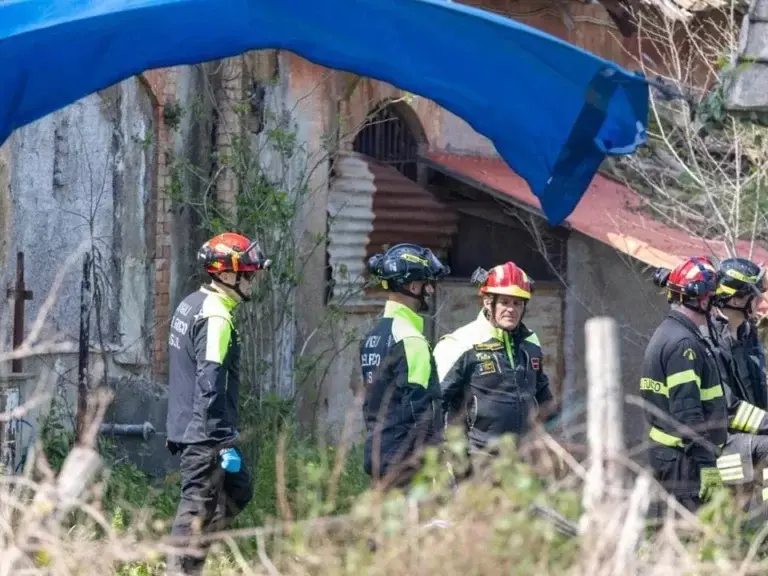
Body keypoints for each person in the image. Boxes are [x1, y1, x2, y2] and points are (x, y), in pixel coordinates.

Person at [165, 232, 271, 575]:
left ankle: (192, 562)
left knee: (238, 491)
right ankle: (180, 569)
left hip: (191, 425)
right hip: (204, 433)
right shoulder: (216, 318)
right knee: (194, 510)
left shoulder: (191, 303)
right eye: (248, 274)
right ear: (226, 274)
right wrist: (223, 442)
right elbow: (209, 384)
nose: (252, 281)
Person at [433, 262, 555, 464]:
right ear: (488, 302)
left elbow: (542, 395)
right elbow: (435, 405)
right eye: (505, 302)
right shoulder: (459, 344)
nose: (511, 310)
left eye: (518, 303)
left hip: (522, 463)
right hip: (475, 463)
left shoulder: (531, 343)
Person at [360, 243, 450, 488]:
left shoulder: (373, 337)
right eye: (426, 283)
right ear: (412, 286)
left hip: (378, 455)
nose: (429, 290)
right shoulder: (411, 340)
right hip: (406, 465)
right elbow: (421, 409)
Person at [642, 256, 727, 513]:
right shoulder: (684, 345)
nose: (714, 304)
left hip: (674, 457)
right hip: (684, 460)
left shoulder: (672, 333)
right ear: (701, 299)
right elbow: (687, 413)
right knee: (689, 538)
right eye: (712, 297)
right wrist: (706, 466)